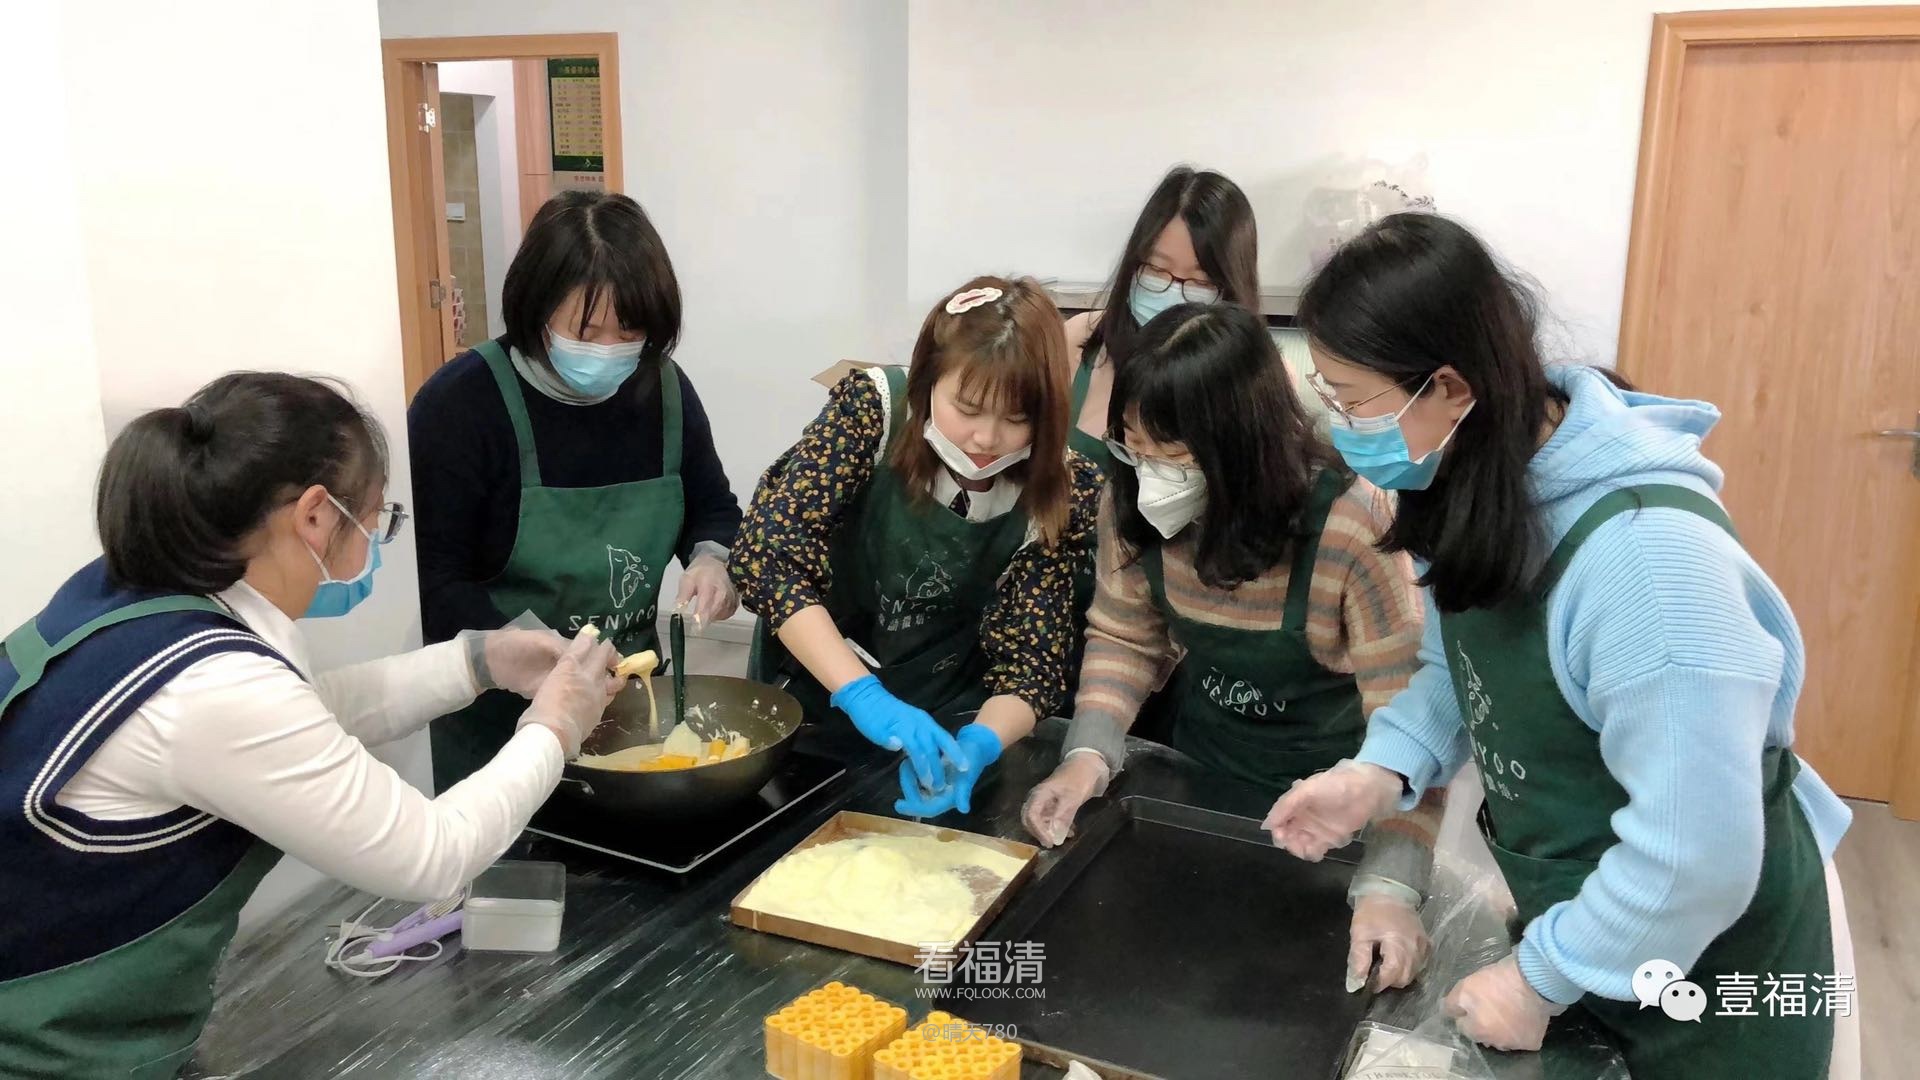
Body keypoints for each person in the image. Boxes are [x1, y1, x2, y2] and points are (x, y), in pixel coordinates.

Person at [1265, 213, 1855, 1078]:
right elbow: (1460, 668)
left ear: (1451, 388)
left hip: (1712, 961)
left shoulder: (1648, 566)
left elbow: (1697, 853)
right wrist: (1382, 771)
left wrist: (1536, 980)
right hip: (1593, 920)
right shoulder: (1480, 481)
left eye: (1354, 402)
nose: (1344, 427)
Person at [0, 374, 623, 1077]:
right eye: (379, 518)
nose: (377, 542)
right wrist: (555, 726)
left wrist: (478, 661)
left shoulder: (139, 590)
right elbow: (433, 855)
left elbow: (305, 714)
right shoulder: (214, 687)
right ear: (317, 516)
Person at [1021, 303, 1441, 993]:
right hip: (1200, 784)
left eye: (1175, 457)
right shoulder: (1131, 499)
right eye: (1134, 446)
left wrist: (1391, 884)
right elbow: (1125, 634)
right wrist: (1088, 754)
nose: (1150, 474)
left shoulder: (1350, 525)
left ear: (1244, 448)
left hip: (1334, 815)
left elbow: (1412, 729)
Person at [409, 191, 743, 791]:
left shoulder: (665, 391)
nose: (610, 350)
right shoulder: (461, 405)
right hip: (500, 718)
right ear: (536, 308)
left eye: (630, 330)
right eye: (587, 331)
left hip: (628, 703)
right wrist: (532, 651)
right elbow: (434, 581)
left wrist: (713, 560)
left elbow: (712, 506)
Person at [730, 277, 1101, 813]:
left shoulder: (1064, 486)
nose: (986, 438)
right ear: (929, 379)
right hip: (814, 698)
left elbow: (1033, 661)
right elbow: (769, 554)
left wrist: (979, 745)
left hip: (945, 717)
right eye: (967, 408)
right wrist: (861, 694)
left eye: (1017, 419)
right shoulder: (873, 411)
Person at [1063, 166, 1259, 478]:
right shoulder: (1077, 339)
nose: (1172, 291)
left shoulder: (1256, 378)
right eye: (1156, 269)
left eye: (1201, 282)